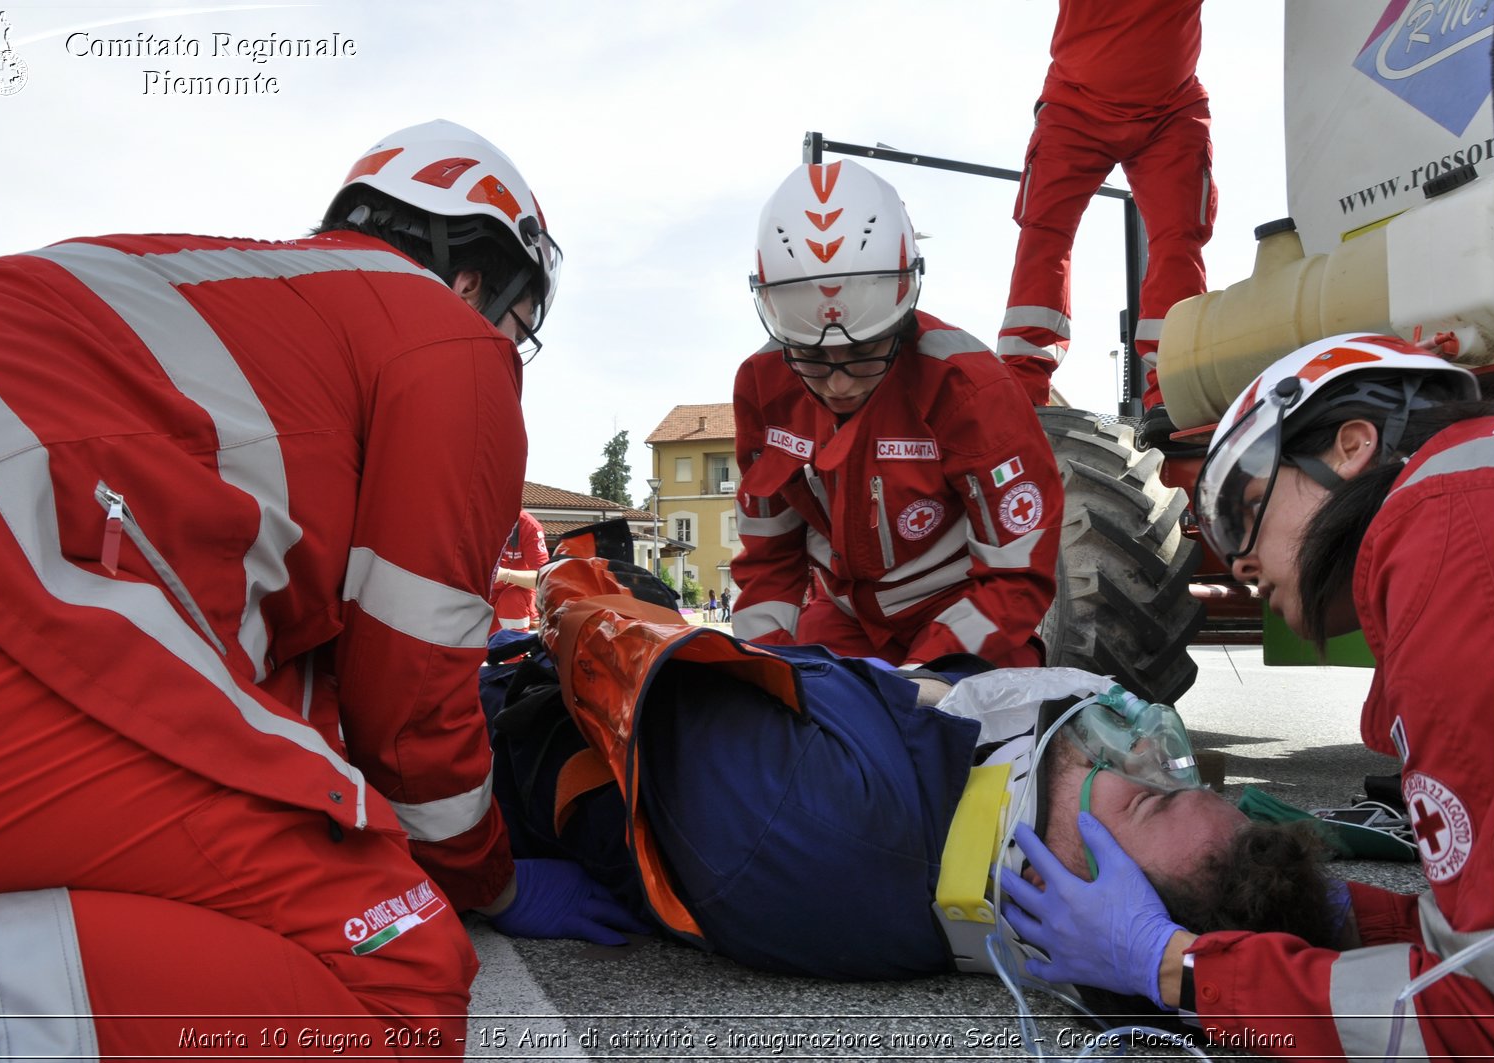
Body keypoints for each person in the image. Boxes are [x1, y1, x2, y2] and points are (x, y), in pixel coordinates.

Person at [0, 119, 642, 1055]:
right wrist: (488, 879)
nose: (511, 356)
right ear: (471, 279)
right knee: (399, 977)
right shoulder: (453, 347)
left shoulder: (247, 303)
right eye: (517, 324)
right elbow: (411, 701)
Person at [1001, 334, 1494, 1059]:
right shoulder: (1488, 511)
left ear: (1351, 446)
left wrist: (1177, 970)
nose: (1241, 560)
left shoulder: (1456, 559)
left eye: (1246, 503)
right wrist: (1337, 913)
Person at [479, 554, 1339, 983]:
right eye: (1177, 777)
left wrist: (570, 579)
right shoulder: (968, 802)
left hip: (471, 739)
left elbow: (610, 654)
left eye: (1150, 797)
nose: (1146, 752)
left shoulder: (824, 822)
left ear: (1074, 900)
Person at [733, 160, 1062, 670]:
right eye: (813, 360)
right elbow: (767, 560)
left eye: (865, 353)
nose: (839, 383)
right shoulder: (762, 385)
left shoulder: (971, 390)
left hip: (967, 615)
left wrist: (926, 677)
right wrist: (769, 669)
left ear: (900, 317)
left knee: (979, 734)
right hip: (843, 619)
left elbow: (1016, 575)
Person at [995, 0, 1216, 444]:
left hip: (1171, 111)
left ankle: (1173, 392)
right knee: (1045, 236)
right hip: (1074, 107)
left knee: (1177, 242)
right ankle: (1021, 392)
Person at [491, 508, 550, 634]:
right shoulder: (472, 520)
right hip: (483, 597)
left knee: (511, 599)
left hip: (516, 598)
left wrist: (502, 574)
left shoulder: (529, 526)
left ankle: (514, 650)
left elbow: (544, 578)